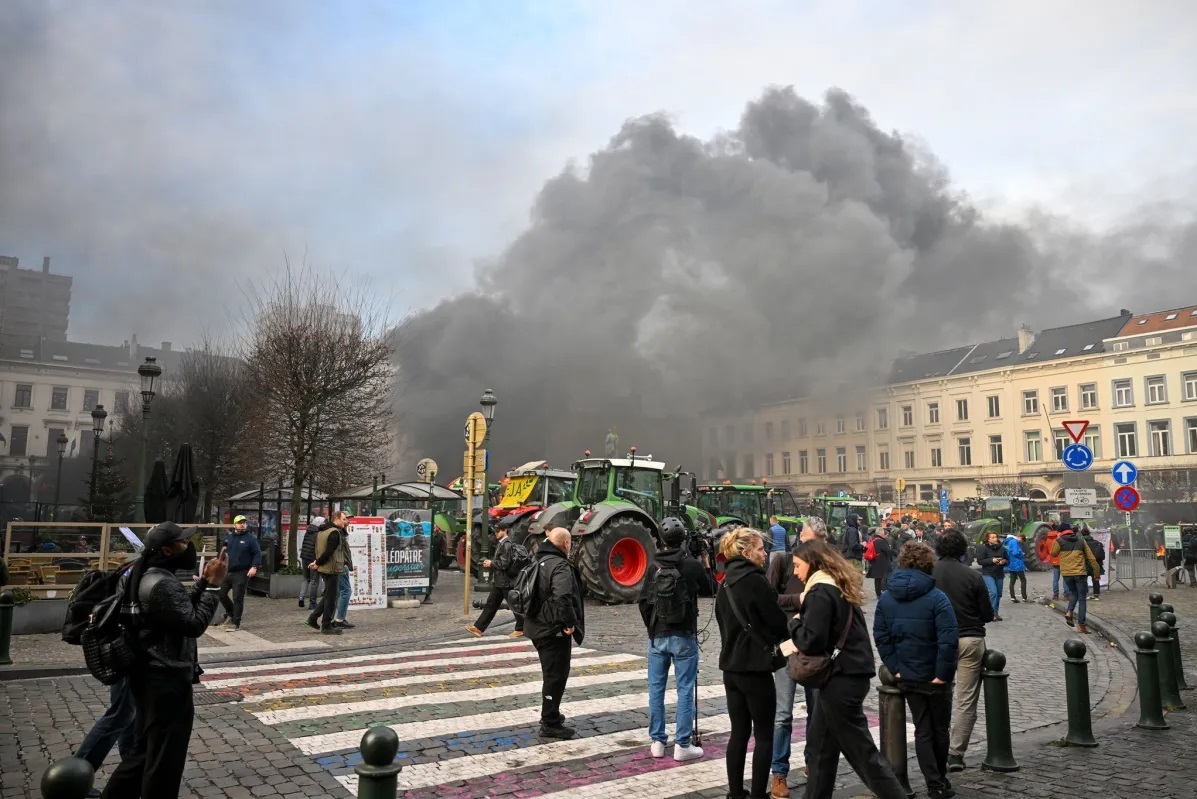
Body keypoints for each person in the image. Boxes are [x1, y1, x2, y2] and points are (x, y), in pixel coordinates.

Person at [99, 521, 226, 798]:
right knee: (165, 758)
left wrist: (203, 583)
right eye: (183, 541)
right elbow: (193, 624)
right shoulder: (162, 583)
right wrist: (214, 588)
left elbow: (177, 610)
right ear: (167, 550)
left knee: (145, 751)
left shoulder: (144, 573)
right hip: (165, 677)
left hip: (147, 673)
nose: (188, 546)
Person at [787, 540, 907, 799]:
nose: (795, 572)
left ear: (812, 563)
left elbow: (811, 640)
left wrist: (794, 624)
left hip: (841, 678)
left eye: (797, 565)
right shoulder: (836, 585)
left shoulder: (820, 591)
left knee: (862, 753)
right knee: (821, 750)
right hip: (846, 674)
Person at [873, 542, 959, 799]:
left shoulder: (887, 598)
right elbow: (948, 639)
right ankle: (937, 782)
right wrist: (943, 673)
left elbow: (881, 636)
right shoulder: (937, 597)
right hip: (934, 675)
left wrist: (896, 668)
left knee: (923, 729)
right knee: (939, 729)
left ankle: (935, 783)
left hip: (908, 674)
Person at [715, 527, 790, 799]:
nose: (765, 553)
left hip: (731, 668)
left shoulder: (724, 583)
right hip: (756, 669)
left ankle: (736, 793)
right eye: (760, 549)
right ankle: (758, 794)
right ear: (746, 552)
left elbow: (722, 622)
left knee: (738, 733)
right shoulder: (756, 581)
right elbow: (778, 622)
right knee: (764, 735)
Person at [639, 517, 715, 761]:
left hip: (658, 635)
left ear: (661, 540)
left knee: (656, 689)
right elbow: (710, 589)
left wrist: (652, 629)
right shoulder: (691, 564)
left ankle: (657, 742)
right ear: (682, 538)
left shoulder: (653, 565)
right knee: (685, 690)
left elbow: (643, 601)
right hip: (684, 635)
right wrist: (704, 560)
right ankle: (682, 744)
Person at [767, 517, 827, 798]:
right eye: (810, 540)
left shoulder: (826, 568)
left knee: (816, 712)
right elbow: (769, 598)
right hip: (787, 644)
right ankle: (778, 773)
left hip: (814, 646)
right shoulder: (783, 561)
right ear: (801, 538)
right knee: (783, 714)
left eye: (819, 542)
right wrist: (798, 600)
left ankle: (812, 762)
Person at [933, 530, 993, 773]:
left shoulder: (928, 574)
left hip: (938, 640)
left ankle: (935, 747)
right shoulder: (972, 575)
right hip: (969, 638)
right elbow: (987, 614)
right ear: (962, 550)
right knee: (966, 699)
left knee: (937, 693)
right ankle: (955, 753)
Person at [523, 527, 584, 739]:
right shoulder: (560, 565)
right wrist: (569, 623)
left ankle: (552, 712)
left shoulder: (537, 559)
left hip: (536, 625)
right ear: (566, 544)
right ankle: (550, 722)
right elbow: (563, 596)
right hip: (553, 629)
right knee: (555, 676)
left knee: (551, 673)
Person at [76, 678, 135, 797]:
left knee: (128, 717)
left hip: (128, 670)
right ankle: (77, 776)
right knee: (120, 715)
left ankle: (132, 771)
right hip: (133, 670)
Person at [467, 524, 525, 637]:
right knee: (491, 605)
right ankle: (478, 628)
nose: (496, 533)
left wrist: (491, 563)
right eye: (495, 531)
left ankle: (521, 628)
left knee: (513, 606)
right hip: (500, 581)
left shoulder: (506, 545)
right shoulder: (501, 543)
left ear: (505, 531)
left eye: (498, 531)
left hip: (505, 582)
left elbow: (504, 564)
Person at [1051, 524, 1100, 634]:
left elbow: (1053, 553)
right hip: (1080, 573)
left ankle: (1069, 612)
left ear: (1061, 532)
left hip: (1067, 574)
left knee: (1074, 593)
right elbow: (1091, 558)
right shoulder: (1081, 540)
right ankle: (1081, 625)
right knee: (1082, 598)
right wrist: (1096, 573)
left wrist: (1057, 539)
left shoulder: (1059, 541)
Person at [306, 510, 349, 635]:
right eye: (343, 519)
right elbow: (329, 551)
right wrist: (318, 562)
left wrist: (317, 562)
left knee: (328, 595)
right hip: (331, 568)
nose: (345, 521)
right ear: (336, 519)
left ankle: (313, 618)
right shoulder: (334, 532)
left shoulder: (322, 531)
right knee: (332, 598)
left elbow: (320, 549)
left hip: (324, 567)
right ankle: (326, 625)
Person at [215, 515, 260, 631]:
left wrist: (254, 567)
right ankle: (231, 613)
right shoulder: (229, 538)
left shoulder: (250, 539)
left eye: (244, 522)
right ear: (234, 525)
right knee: (220, 593)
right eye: (240, 523)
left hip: (242, 572)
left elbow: (257, 553)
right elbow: (221, 553)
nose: (242, 525)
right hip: (228, 571)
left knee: (237, 598)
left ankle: (236, 623)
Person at [975, 531, 1007, 620]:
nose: (995, 539)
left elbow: (1007, 559)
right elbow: (980, 561)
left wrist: (1003, 561)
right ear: (988, 539)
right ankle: (990, 613)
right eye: (992, 537)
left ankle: (995, 613)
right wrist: (991, 560)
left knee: (999, 594)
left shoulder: (1002, 548)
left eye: (995, 537)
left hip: (999, 573)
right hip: (988, 573)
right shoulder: (983, 548)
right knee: (993, 592)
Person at [331, 522, 357, 630]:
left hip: (339, 565)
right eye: (344, 519)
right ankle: (339, 619)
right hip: (340, 565)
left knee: (337, 592)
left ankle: (333, 619)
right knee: (346, 591)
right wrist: (344, 563)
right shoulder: (337, 533)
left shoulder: (338, 533)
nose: (346, 522)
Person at [299, 516, 326, 609]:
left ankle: (301, 597)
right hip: (313, 559)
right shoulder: (318, 533)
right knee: (314, 581)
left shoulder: (308, 531)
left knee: (306, 578)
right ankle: (312, 603)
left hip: (304, 557)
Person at [865, 527, 895, 599]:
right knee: (884, 576)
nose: (884, 533)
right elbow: (887, 550)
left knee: (877, 578)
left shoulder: (873, 539)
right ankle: (884, 591)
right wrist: (895, 552)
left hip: (874, 560)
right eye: (883, 532)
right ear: (880, 533)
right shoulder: (881, 541)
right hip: (881, 561)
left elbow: (866, 549)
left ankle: (878, 593)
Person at [1080, 526, 1105, 600]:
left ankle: (1086, 594)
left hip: (1085, 564)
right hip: (1096, 564)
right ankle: (1096, 595)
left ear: (1082, 534)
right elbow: (1103, 556)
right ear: (1089, 533)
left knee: (1084, 580)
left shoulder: (1080, 543)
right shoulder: (1097, 543)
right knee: (1096, 580)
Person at [1004, 533, 1027, 603]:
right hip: (1017, 564)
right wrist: (1022, 555)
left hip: (1011, 564)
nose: (1021, 542)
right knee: (1023, 580)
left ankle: (1013, 597)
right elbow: (1015, 552)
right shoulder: (1014, 542)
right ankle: (1024, 597)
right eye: (1022, 541)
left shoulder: (1008, 542)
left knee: (1012, 581)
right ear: (1020, 537)